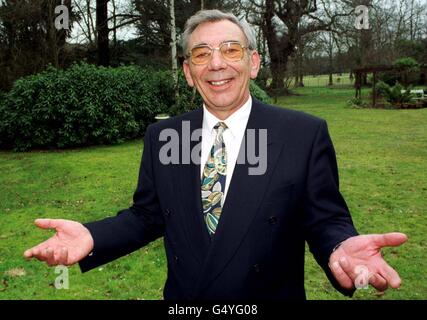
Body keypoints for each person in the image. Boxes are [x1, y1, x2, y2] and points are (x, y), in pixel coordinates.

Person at [24, 9, 407, 300]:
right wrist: (93, 236)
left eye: (231, 49)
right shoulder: (164, 136)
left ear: (253, 63)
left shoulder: (303, 133)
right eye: (202, 54)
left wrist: (341, 247)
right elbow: (148, 215)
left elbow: (325, 220)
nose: (217, 63)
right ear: (189, 72)